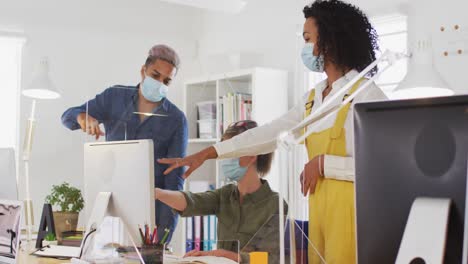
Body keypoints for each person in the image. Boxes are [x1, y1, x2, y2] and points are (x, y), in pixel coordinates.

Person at [159, 1, 387, 263]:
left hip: (351, 215)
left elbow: (381, 170)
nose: (304, 48)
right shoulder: (313, 98)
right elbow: (267, 134)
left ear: (329, 41)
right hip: (320, 211)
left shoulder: (365, 94)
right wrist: (208, 153)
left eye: (307, 39)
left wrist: (324, 164)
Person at [61, 44, 188, 243]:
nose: (160, 83)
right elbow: (67, 116)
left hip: (149, 214)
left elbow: (174, 183)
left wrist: (161, 240)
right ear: (143, 71)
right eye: (155, 75)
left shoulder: (176, 119)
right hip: (110, 205)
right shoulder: (114, 97)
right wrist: (82, 117)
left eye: (167, 81)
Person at [155, 120, 287, 263]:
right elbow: (191, 201)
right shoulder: (225, 194)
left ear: (252, 154)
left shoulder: (276, 204)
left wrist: (222, 255)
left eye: (230, 152)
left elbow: (272, 259)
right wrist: (157, 193)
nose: (224, 160)